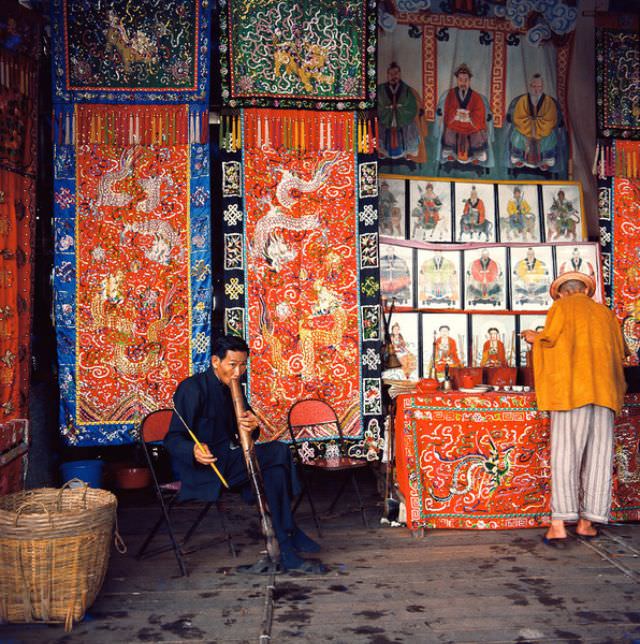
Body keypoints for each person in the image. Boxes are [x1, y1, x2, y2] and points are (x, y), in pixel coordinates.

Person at [164, 335, 324, 572]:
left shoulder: (233, 386)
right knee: (278, 452)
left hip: (233, 460)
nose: (238, 371)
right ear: (215, 361)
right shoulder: (192, 388)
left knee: (274, 472)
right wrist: (193, 450)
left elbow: (250, 434)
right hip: (210, 468)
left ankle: (286, 547)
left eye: (243, 364)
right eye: (233, 364)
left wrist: (253, 425)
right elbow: (172, 438)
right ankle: (289, 531)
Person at [522, 272, 626, 543]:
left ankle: (558, 524)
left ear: (563, 293)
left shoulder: (561, 308)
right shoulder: (606, 314)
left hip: (571, 393)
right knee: (599, 459)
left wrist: (534, 338)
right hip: (604, 394)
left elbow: (552, 342)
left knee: (566, 456)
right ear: (585, 291)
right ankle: (586, 522)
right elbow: (621, 352)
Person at [436, 63, 491, 165]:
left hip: (471, 126)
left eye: (466, 80)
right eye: (460, 80)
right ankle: (451, 152)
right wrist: (456, 115)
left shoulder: (476, 97)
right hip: (455, 125)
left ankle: (476, 154)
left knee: (478, 138)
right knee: (449, 134)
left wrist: (470, 117)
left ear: (469, 81)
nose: (463, 83)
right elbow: (448, 109)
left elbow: (479, 113)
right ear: (457, 80)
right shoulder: (451, 94)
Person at [507, 73, 563, 171]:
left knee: (549, 137)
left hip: (543, 129)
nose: (536, 89)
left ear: (542, 87)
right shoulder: (523, 100)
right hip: (525, 128)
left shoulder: (549, 101)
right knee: (517, 135)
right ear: (530, 86)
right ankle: (519, 157)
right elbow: (518, 117)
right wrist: (530, 124)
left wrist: (537, 125)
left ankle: (546, 159)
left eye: (539, 86)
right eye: (534, 86)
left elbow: (551, 119)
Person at [377, 62, 428, 164]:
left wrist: (401, 108)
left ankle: (408, 152)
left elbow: (411, 105)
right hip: (387, 119)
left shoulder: (407, 90)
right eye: (391, 74)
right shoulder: (380, 89)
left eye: (396, 73)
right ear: (387, 75)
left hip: (403, 119)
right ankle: (383, 152)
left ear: (399, 74)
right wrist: (388, 108)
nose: (393, 76)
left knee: (410, 128)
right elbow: (379, 104)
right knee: (380, 130)